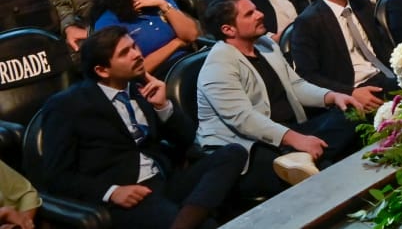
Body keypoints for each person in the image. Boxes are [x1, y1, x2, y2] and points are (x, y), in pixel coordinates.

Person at [34, 27, 245, 229]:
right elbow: (57, 177)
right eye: (125, 53)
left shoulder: (139, 89)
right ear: (102, 70)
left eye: (134, 46)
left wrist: (164, 106)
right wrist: (111, 192)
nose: (137, 54)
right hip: (126, 196)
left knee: (234, 152)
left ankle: (184, 222)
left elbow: (188, 139)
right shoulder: (66, 106)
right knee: (206, 224)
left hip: (164, 181)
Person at [195, 0, 361, 196]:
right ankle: (304, 159)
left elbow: (296, 86)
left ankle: (299, 157)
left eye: (256, 9)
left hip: (289, 129)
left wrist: (332, 96)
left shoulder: (266, 45)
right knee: (322, 169)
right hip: (249, 145)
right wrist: (295, 139)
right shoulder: (218, 65)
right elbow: (243, 119)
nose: (260, 15)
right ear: (228, 30)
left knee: (351, 112)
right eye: (250, 14)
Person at [287, 0, 397, 111]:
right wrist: (350, 93)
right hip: (350, 89)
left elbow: (383, 46)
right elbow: (307, 75)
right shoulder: (308, 22)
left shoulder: (362, 4)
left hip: (383, 75)